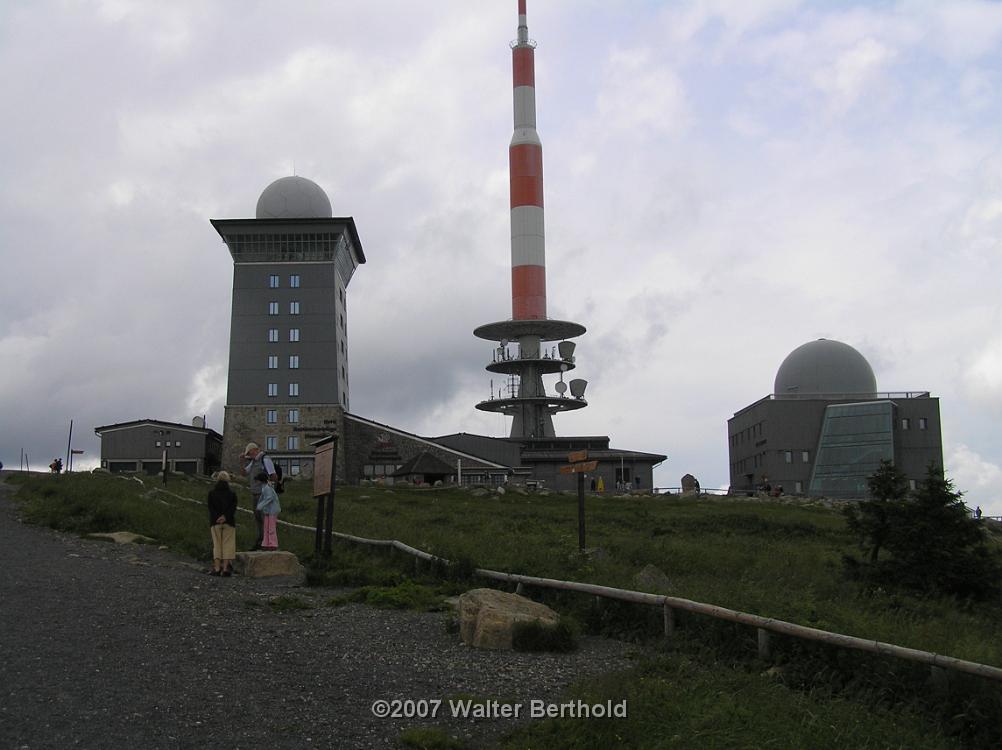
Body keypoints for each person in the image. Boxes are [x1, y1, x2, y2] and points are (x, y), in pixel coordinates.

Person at [241, 442, 276, 550]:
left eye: (249, 452)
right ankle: (261, 541)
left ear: (254, 450)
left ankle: (269, 543)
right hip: (255, 494)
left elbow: (273, 475)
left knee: (265, 519)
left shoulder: (265, 459)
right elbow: (244, 473)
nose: (249, 455)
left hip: (263, 494)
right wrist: (241, 461)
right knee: (258, 519)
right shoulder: (253, 462)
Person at [207, 471, 238, 576]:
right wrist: (225, 517)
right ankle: (225, 568)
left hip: (215, 522)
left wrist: (217, 517)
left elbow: (211, 508)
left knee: (217, 545)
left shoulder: (211, 493)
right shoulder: (232, 494)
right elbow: (233, 508)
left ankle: (216, 568)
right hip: (229, 522)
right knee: (228, 544)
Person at [255, 471, 281, 551]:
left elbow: (269, 498)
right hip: (267, 511)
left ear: (261, 480)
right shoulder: (265, 487)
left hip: (272, 511)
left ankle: (273, 544)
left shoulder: (267, 488)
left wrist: (260, 506)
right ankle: (266, 543)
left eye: (257, 480)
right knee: (266, 527)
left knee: (271, 527)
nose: (256, 482)